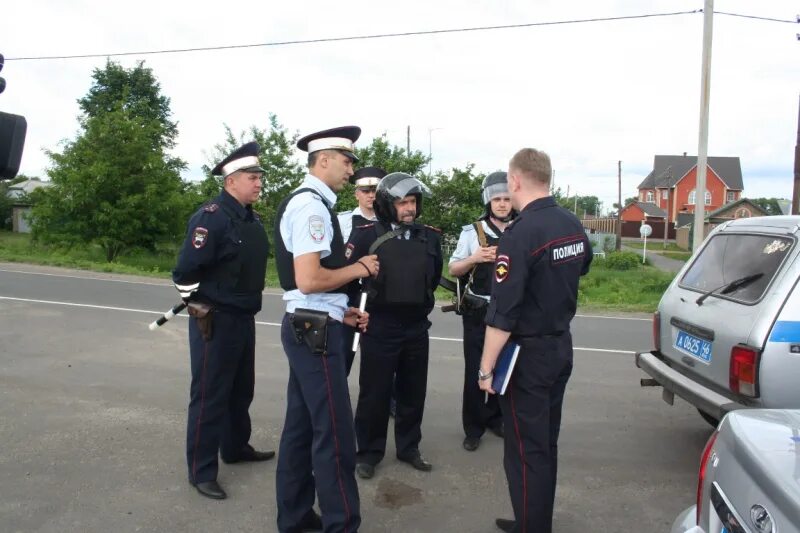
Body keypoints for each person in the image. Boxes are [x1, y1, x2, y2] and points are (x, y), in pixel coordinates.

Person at [478, 148, 592, 533]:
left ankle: (532, 526)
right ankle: (532, 519)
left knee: (526, 450)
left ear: (514, 181)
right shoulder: (570, 221)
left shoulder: (519, 233)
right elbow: (584, 264)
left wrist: (485, 368)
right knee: (544, 444)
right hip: (560, 346)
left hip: (527, 356)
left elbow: (503, 313)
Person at [273, 125, 378, 533]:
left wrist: (343, 311)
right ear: (324, 160)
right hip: (314, 333)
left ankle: (296, 519)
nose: (351, 169)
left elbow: (313, 290)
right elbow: (309, 280)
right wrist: (361, 267)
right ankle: (341, 524)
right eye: (347, 160)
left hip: (312, 323)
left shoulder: (312, 203)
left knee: (301, 431)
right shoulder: (313, 206)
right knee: (334, 435)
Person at [172, 142, 275, 501]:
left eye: (259, 177)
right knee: (210, 396)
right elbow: (184, 271)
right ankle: (201, 471)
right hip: (215, 321)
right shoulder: (211, 217)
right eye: (252, 177)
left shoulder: (250, 218)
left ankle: (235, 447)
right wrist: (198, 305)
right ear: (231, 181)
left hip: (244, 318)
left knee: (239, 390)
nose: (259, 183)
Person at [346, 172, 443, 480]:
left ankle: (409, 447)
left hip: (416, 328)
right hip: (380, 326)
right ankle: (369, 453)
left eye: (412, 201)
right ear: (389, 205)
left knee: (413, 392)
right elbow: (348, 276)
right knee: (374, 393)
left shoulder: (429, 237)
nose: (409, 209)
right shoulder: (365, 234)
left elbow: (434, 275)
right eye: (402, 202)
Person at [448, 171, 515, 452]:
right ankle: (473, 427)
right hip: (479, 310)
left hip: (509, 311)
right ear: (488, 200)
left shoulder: (521, 228)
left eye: (507, 199)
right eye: (497, 199)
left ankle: (496, 419)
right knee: (475, 369)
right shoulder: (472, 232)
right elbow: (453, 268)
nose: (502, 204)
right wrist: (474, 257)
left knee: (504, 369)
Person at [337, 166, 385, 376]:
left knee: (379, 361)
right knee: (345, 352)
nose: (371, 195)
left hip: (380, 296)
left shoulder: (389, 224)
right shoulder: (342, 221)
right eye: (366, 191)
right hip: (349, 295)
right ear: (356, 193)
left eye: (375, 190)